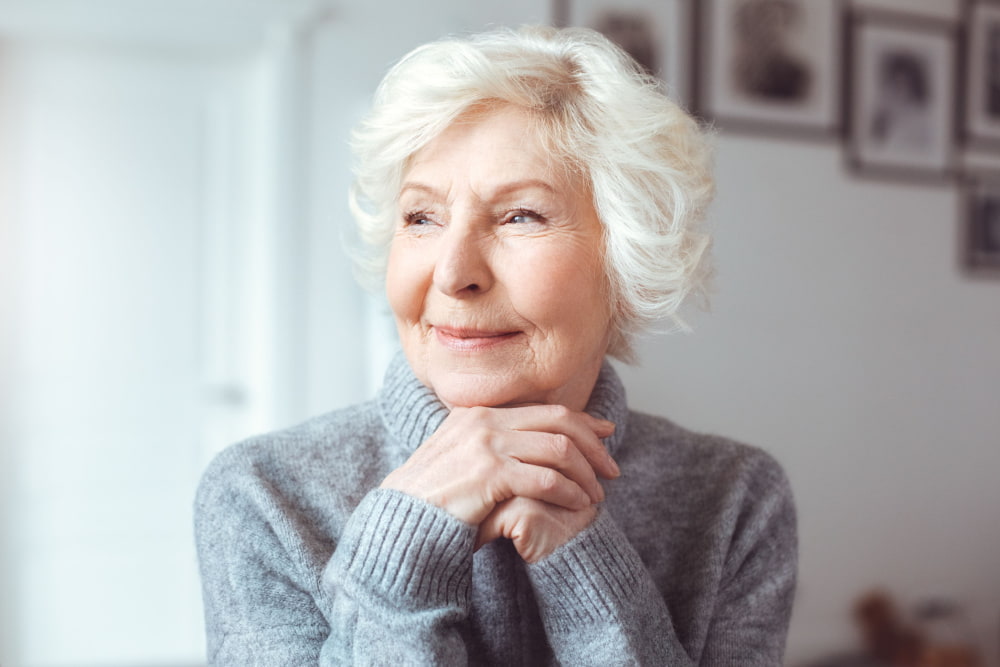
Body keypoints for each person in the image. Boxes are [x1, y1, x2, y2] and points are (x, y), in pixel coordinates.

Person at [194, 25, 797, 665]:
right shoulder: (262, 494)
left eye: (519, 216)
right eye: (421, 217)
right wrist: (405, 546)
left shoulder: (734, 498)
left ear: (626, 261)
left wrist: (584, 561)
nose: (454, 273)